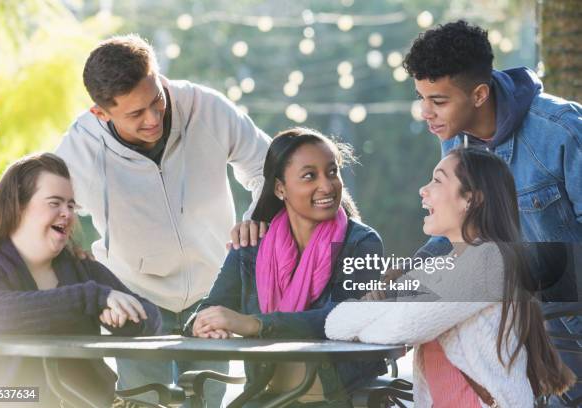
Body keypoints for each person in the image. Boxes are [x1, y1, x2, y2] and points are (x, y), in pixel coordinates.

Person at [55, 34, 271, 405]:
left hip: (214, 291)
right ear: (101, 113)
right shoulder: (79, 148)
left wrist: (256, 218)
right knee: (143, 402)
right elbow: (49, 211)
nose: (153, 118)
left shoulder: (206, 107)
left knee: (205, 401)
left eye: (157, 100)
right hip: (135, 299)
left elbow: (270, 166)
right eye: (135, 114)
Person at [401, 20, 582, 404]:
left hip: (570, 332)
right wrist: (405, 278)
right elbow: (454, 230)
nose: (425, 112)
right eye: (421, 97)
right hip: (511, 330)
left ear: (479, 94)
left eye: (438, 100)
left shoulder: (562, 131)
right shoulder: (455, 140)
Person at [326, 148, 575, 407]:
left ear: (471, 200)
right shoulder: (445, 269)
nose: (424, 190)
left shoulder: (489, 262)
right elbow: (335, 324)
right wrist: (384, 312)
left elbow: (403, 328)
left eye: (438, 180)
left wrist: (375, 310)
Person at [187, 127, 387, 407]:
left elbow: (344, 317)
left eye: (332, 172)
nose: (327, 186)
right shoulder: (252, 245)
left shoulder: (361, 242)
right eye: (309, 176)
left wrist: (254, 324)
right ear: (280, 188)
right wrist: (202, 325)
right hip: (266, 397)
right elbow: (210, 309)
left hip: (335, 398)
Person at [0, 153, 161, 407]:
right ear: (18, 206)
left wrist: (127, 320)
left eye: (71, 205)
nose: (67, 214)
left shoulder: (82, 269)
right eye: (54, 203)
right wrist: (90, 298)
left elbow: (152, 317)